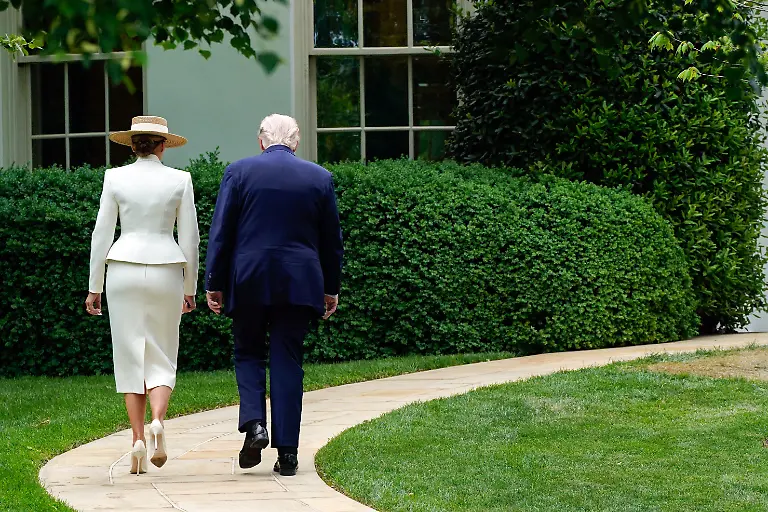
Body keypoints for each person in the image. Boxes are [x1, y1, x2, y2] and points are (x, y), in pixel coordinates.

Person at [205, 114, 344, 476]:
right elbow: (332, 242)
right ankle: (289, 453)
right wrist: (330, 288)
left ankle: (254, 426)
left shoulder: (238, 172)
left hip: (248, 279)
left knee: (249, 353)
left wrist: (214, 282)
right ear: (295, 142)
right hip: (300, 283)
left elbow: (221, 233)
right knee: (288, 361)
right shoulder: (319, 177)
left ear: (261, 141)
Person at [85, 116, 200, 475]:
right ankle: (158, 421)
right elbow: (191, 239)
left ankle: (136, 440)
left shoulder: (114, 178)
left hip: (123, 269)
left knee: (129, 353)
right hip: (166, 268)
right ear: (163, 145)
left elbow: (101, 234)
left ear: (133, 145)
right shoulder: (180, 180)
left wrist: (95, 286)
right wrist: (190, 287)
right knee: (163, 353)